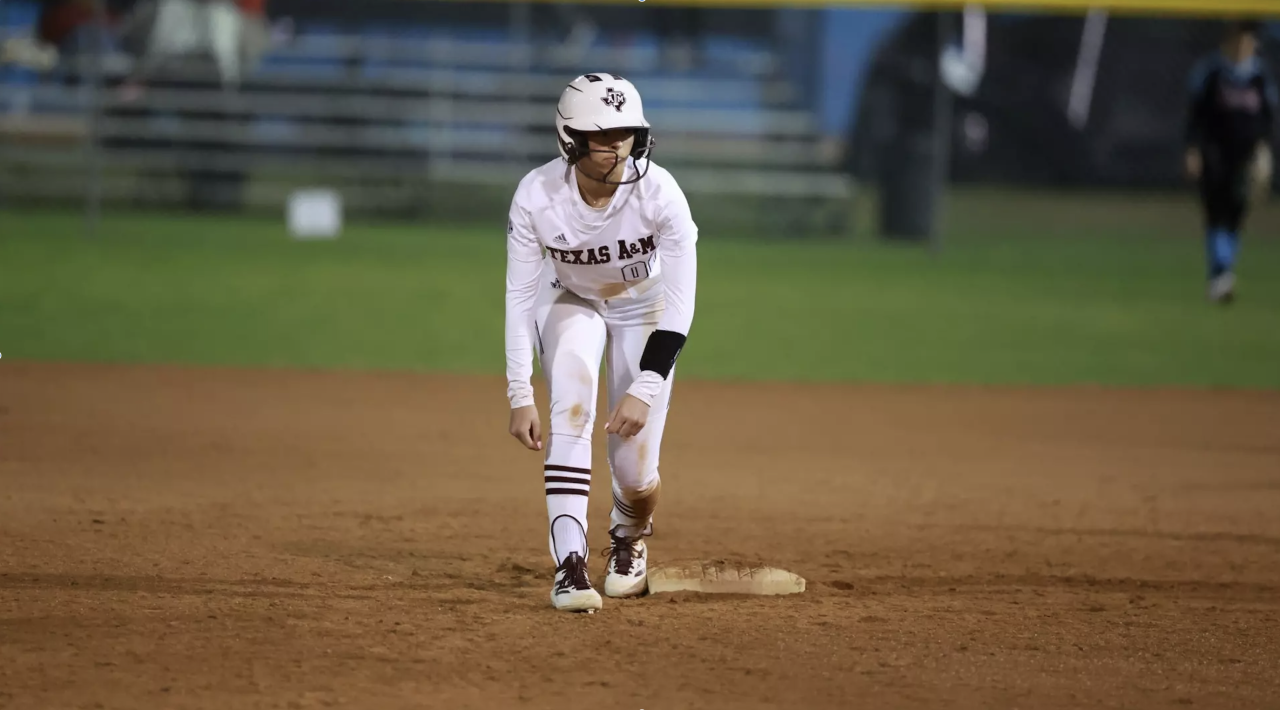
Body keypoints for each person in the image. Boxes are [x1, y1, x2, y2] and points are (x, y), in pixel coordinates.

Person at [504, 73, 699, 613]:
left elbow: (680, 305)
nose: (616, 144)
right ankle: (569, 567)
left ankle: (629, 535)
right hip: (570, 297)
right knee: (571, 397)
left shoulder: (661, 194)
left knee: (635, 473)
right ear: (570, 139)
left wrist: (646, 384)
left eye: (626, 132)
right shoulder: (537, 196)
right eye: (601, 133)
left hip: (645, 305)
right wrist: (519, 391)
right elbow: (519, 298)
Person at [1185, 20, 1277, 304]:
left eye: (1248, 40)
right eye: (1239, 38)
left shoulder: (1259, 76)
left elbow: (1267, 118)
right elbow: (1195, 115)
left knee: (1235, 214)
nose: (1244, 45)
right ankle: (1221, 271)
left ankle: (1221, 273)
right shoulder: (1212, 72)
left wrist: (1264, 151)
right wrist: (1192, 149)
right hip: (1215, 151)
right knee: (1216, 211)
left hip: (1246, 156)